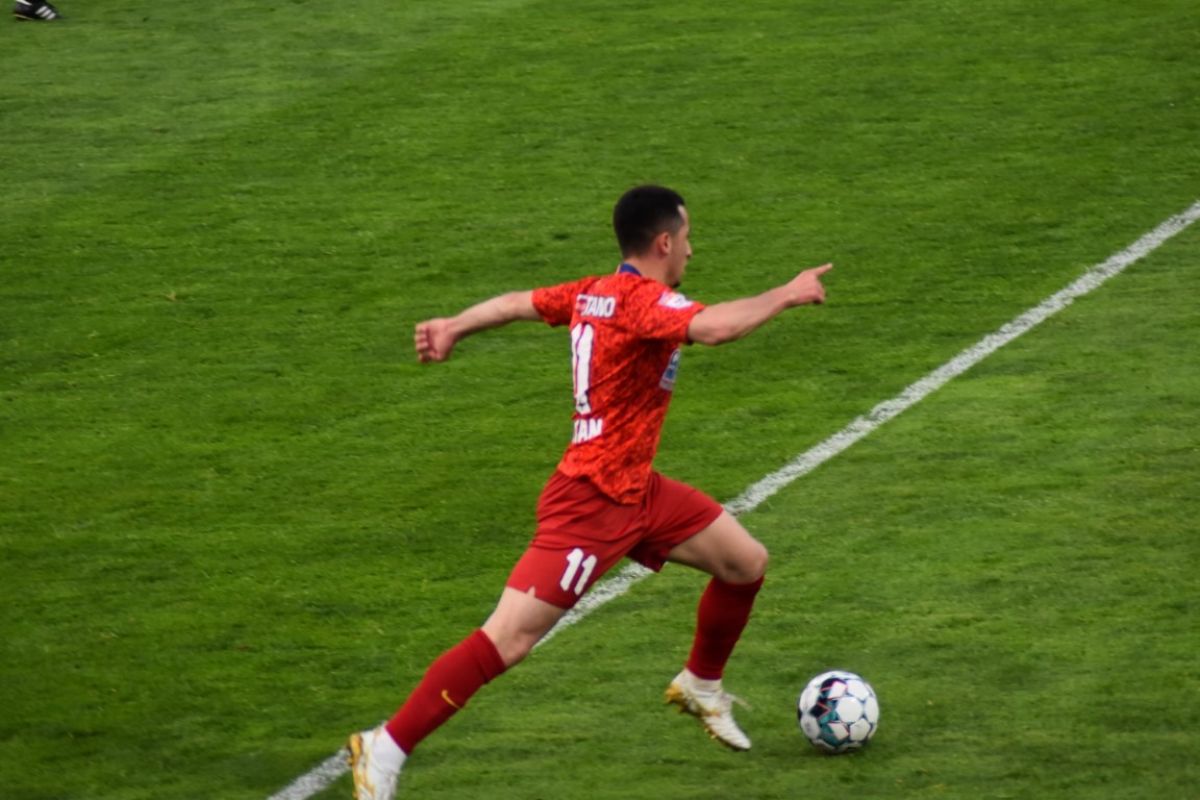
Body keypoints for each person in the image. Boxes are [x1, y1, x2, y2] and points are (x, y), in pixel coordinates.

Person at [349, 185, 832, 799]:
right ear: (664, 242)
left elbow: (517, 304)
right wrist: (787, 293)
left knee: (744, 563)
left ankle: (701, 685)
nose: (691, 249)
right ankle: (385, 746)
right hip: (592, 501)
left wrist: (454, 326)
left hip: (637, 490)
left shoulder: (593, 291)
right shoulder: (640, 301)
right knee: (508, 638)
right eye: (687, 238)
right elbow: (712, 329)